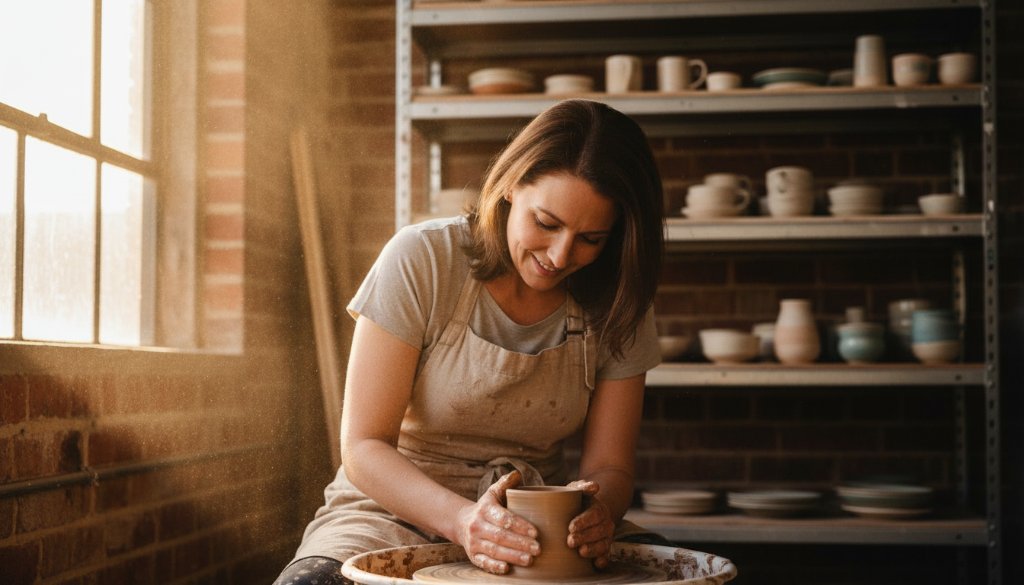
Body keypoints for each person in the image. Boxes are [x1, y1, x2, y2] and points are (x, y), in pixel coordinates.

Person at [274, 99, 666, 585]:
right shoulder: (423, 259)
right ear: (507, 188)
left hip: (535, 523)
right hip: (392, 512)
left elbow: (610, 467)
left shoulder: (618, 296)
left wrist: (599, 511)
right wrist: (463, 520)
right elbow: (364, 446)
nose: (561, 255)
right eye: (546, 224)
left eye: (591, 238)